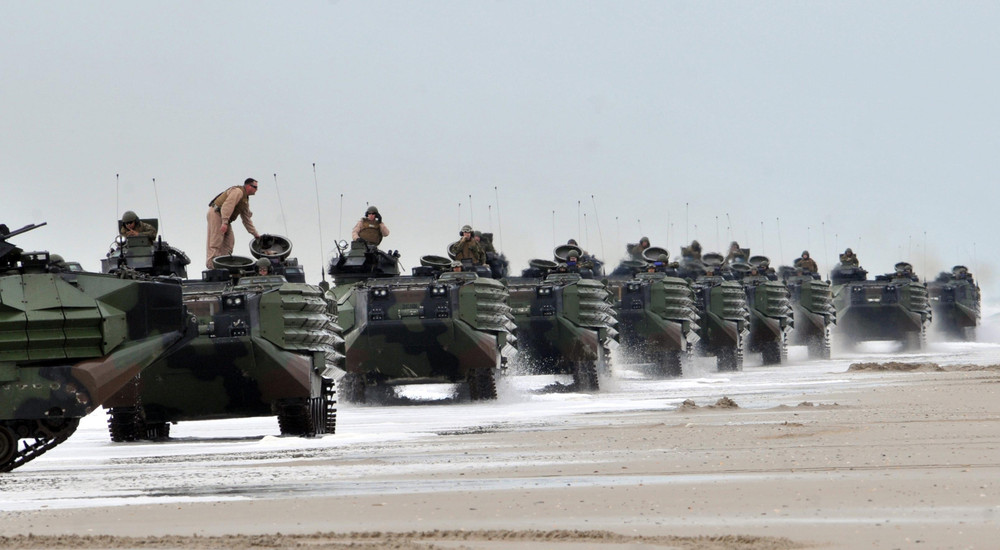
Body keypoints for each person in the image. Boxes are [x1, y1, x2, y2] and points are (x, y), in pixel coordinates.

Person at [206, 178, 262, 269]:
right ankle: (212, 265)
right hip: (217, 213)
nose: (256, 190)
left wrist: (255, 234)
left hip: (224, 217)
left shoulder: (244, 200)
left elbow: (246, 219)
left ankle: (222, 264)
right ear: (248, 186)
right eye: (255, 187)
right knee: (216, 240)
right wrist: (224, 222)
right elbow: (227, 206)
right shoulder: (238, 192)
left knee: (229, 241)